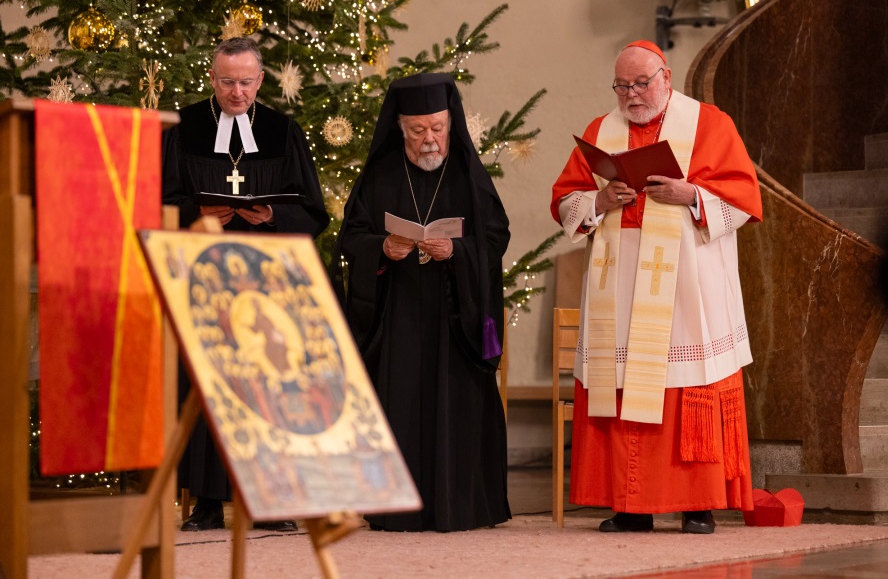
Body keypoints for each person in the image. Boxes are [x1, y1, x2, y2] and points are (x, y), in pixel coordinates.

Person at [550, 41, 763, 534]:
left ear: (666, 77)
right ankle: (630, 507)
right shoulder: (601, 131)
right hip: (620, 287)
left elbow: (744, 199)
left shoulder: (710, 124)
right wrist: (601, 200)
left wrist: (691, 194)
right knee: (621, 387)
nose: (631, 95)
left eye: (641, 84)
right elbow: (564, 202)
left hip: (687, 284)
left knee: (688, 387)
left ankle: (698, 504)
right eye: (622, 86)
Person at [331, 73, 511, 532]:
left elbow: (496, 237)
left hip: (455, 317)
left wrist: (458, 252)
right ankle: (394, 508)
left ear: (451, 124)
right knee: (400, 404)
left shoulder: (468, 174)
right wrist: (381, 248)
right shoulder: (380, 176)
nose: (429, 139)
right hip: (399, 314)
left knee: (456, 407)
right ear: (400, 128)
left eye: (437, 127)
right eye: (418, 130)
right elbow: (351, 236)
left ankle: (462, 506)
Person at [162, 36, 329, 532]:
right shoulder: (183, 128)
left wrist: (273, 214)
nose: (237, 93)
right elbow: (157, 200)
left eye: (246, 82)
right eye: (227, 82)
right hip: (204, 275)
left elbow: (314, 210)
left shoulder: (282, 131)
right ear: (212, 79)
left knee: (267, 385)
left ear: (261, 80)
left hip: (265, 279)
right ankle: (208, 503)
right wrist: (196, 212)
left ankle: (270, 500)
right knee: (208, 385)